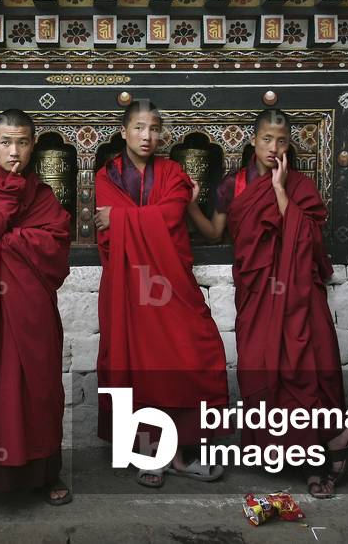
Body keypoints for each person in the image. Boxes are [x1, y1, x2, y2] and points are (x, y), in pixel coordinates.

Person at [186, 108, 348, 498]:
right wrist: (190, 203)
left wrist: (280, 191)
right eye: (267, 139)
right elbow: (214, 233)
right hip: (258, 292)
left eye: (282, 141)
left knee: (307, 368)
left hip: (299, 294)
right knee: (262, 366)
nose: (274, 148)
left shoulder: (300, 185)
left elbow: (310, 240)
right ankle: (280, 450)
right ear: (253, 140)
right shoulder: (234, 185)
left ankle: (316, 463)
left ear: (290, 144)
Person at [94, 99, 229, 488]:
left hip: (171, 284)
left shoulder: (173, 173)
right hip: (127, 286)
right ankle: (150, 455)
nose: (146, 136)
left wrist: (121, 218)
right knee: (139, 368)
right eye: (138, 128)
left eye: (153, 129)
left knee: (190, 358)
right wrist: (126, 219)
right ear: (124, 132)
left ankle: (183, 456)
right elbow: (110, 226)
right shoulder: (108, 175)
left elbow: (171, 215)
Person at [0, 109, 73, 514]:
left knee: (37, 388)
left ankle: (45, 473)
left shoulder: (43, 195)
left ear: (33, 145)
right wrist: (17, 232)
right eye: (6, 142)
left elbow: (57, 246)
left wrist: (12, 237)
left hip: (32, 311)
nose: (14, 151)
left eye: (22, 142)